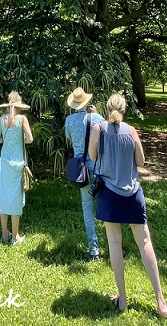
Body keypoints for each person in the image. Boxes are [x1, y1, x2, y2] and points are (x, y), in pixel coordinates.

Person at [88, 94, 167, 319]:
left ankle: (123, 300)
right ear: (125, 109)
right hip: (133, 192)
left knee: (115, 243)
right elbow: (141, 162)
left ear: (106, 109)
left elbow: (92, 156)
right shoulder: (132, 130)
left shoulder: (98, 129)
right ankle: (161, 303)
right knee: (145, 243)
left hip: (109, 194)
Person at [65, 86, 104, 261]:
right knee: (106, 206)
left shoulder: (69, 121)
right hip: (98, 167)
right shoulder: (97, 118)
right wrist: (96, 113)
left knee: (87, 208)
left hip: (81, 171)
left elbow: (70, 140)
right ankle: (113, 244)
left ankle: (93, 249)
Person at [0, 91, 33, 245]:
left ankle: (4, 233)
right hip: (18, 162)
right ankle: (15, 236)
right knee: (16, 198)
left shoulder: (1, 119)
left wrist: (7, 139)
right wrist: (20, 139)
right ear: (19, 105)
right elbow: (30, 139)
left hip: (5, 161)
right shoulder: (22, 119)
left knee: (3, 195)